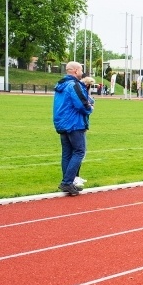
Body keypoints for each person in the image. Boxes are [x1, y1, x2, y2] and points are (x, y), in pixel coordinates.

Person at [53, 61, 93, 196]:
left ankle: (68, 181)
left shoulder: (61, 85)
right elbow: (81, 104)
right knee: (79, 151)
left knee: (67, 154)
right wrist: (90, 108)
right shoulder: (74, 85)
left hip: (62, 123)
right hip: (74, 123)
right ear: (76, 71)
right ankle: (67, 182)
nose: (82, 73)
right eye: (81, 70)